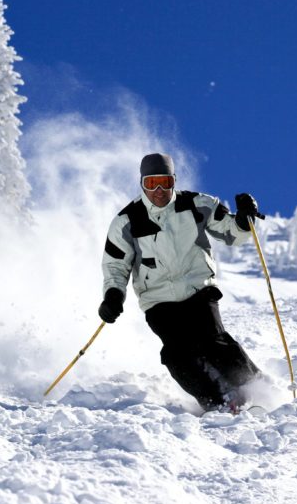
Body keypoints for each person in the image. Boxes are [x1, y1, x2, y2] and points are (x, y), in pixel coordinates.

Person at [98, 152, 261, 411]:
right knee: (176, 354)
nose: (160, 190)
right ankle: (217, 400)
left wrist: (242, 220)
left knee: (211, 340)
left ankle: (254, 387)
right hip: (158, 300)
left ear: (174, 181)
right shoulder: (127, 221)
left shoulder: (197, 204)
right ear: (142, 184)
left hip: (198, 288)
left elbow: (231, 233)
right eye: (152, 184)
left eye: (165, 182)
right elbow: (116, 265)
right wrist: (113, 295)